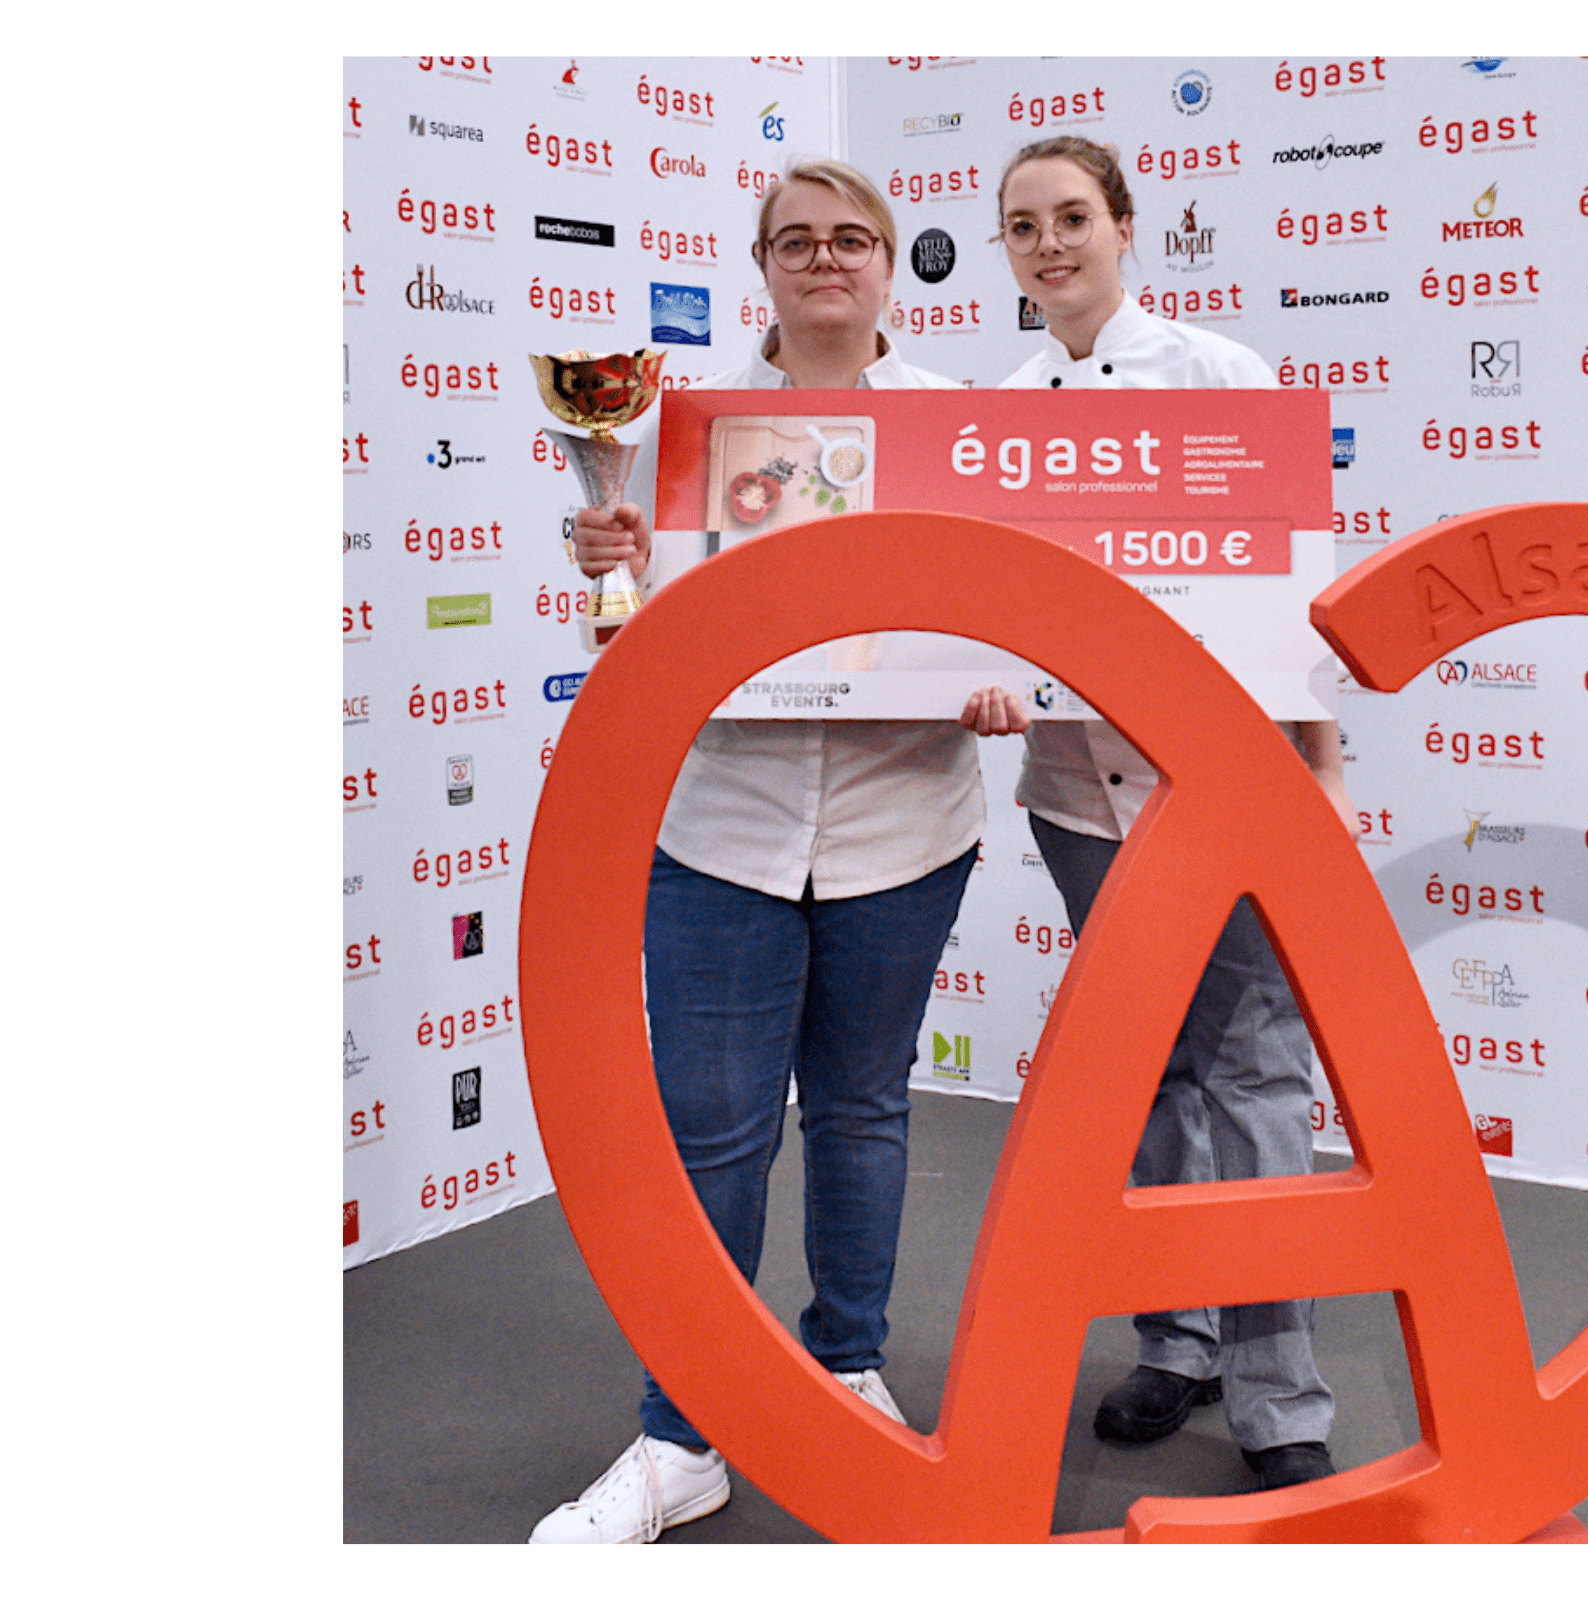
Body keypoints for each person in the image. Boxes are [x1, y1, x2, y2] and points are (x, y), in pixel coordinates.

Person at [530, 160, 977, 1544]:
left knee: (862, 1113)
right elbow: (629, 641)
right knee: (711, 1139)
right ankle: (684, 1432)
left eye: (852, 239)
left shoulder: (958, 426)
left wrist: (1001, 672)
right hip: (721, 822)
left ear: (887, 264)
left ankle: (847, 1367)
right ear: (763, 265)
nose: (826, 260)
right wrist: (609, 562)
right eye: (799, 241)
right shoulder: (681, 428)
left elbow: (994, 607)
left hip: (905, 820)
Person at [959, 136, 1361, 1495]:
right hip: (1081, 795)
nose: (1051, 243)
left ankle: (1276, 1384)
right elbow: (1000, 618)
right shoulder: (1002, 410)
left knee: (1249, 1067)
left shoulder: (1223, 376)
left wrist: (1322, 772)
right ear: (1008, 251)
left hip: (1228, 789)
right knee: (1146, 1071)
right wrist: (987, 682)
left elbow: (1293, 594)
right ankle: (1177, 1341)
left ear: (1126, 227)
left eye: (1074, 216)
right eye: (1025, 226)